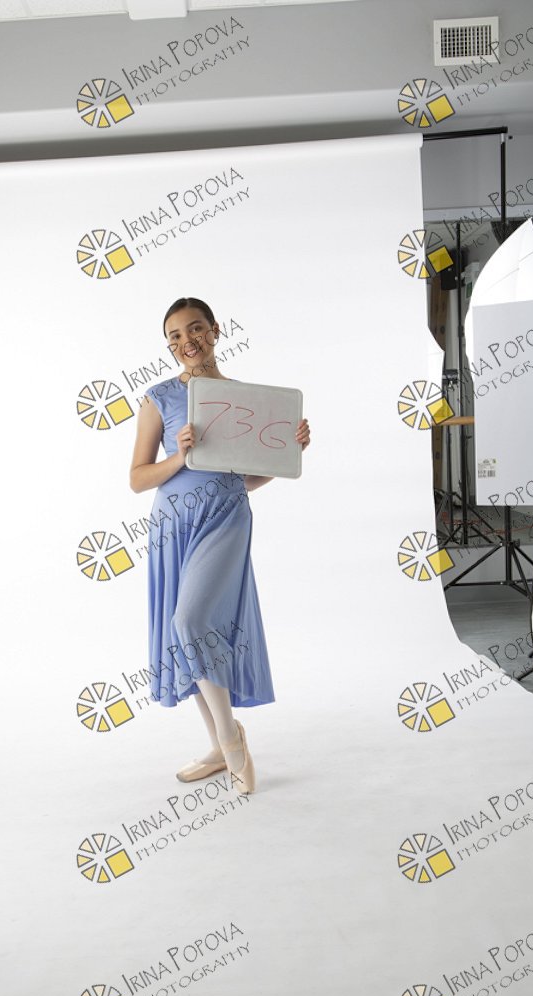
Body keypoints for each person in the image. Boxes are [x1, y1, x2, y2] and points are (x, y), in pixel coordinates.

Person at [129, 297, 310, 793]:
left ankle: (231, 740)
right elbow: (138, 478)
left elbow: (244, 479)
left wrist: (289, 448)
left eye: (195, 329)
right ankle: (219, 745)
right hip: (173, 524)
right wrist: (181, 455)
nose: (186, 341)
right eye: (174, 336)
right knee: (182, 629)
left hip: (226, 518)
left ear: (215, 330)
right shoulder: (158, 398)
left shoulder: (243, 399)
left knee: (192, 620)